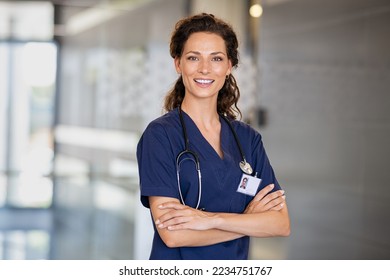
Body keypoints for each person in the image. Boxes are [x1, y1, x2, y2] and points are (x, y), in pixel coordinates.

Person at [136, 13, 290, 260]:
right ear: (178, 64)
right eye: (193, 58)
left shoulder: (247, 139)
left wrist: (209, 220)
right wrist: (246, 222)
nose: (205, 69)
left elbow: (280, 224)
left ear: (229, 66)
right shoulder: (160, 135)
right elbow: (173, 235)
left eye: (216, 58)